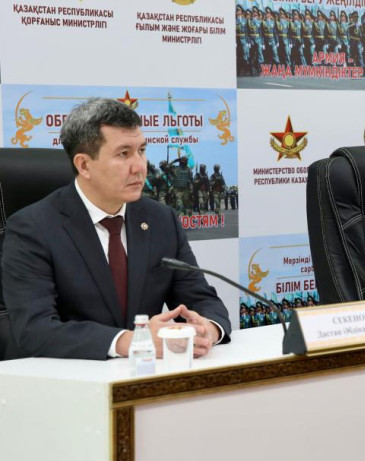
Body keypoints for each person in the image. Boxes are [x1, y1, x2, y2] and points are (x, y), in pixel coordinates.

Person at [1, 98, 232, 360]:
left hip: (146, 376)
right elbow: (34, 330)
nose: (140, 167)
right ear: (84, 165)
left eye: (141, 150)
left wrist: (207, 329)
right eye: (123, 154)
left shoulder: (161, 219)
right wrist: (133, 342)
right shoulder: (32, 228)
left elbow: (202, 300)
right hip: (67, 376)